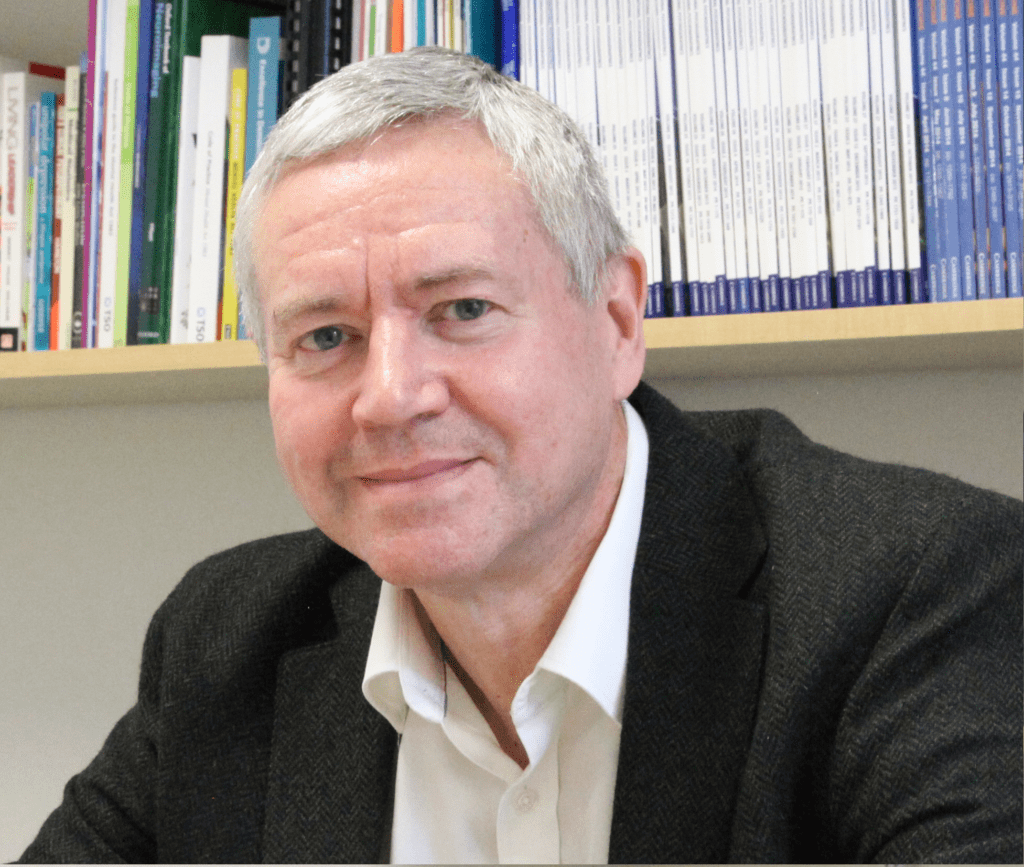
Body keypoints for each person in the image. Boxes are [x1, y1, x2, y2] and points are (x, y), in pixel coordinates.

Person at [21, 48, 1022, 864]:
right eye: (325, 336)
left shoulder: (909, 589)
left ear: (617, 320)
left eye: (462, 310)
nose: (390, 398)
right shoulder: (226, 637)